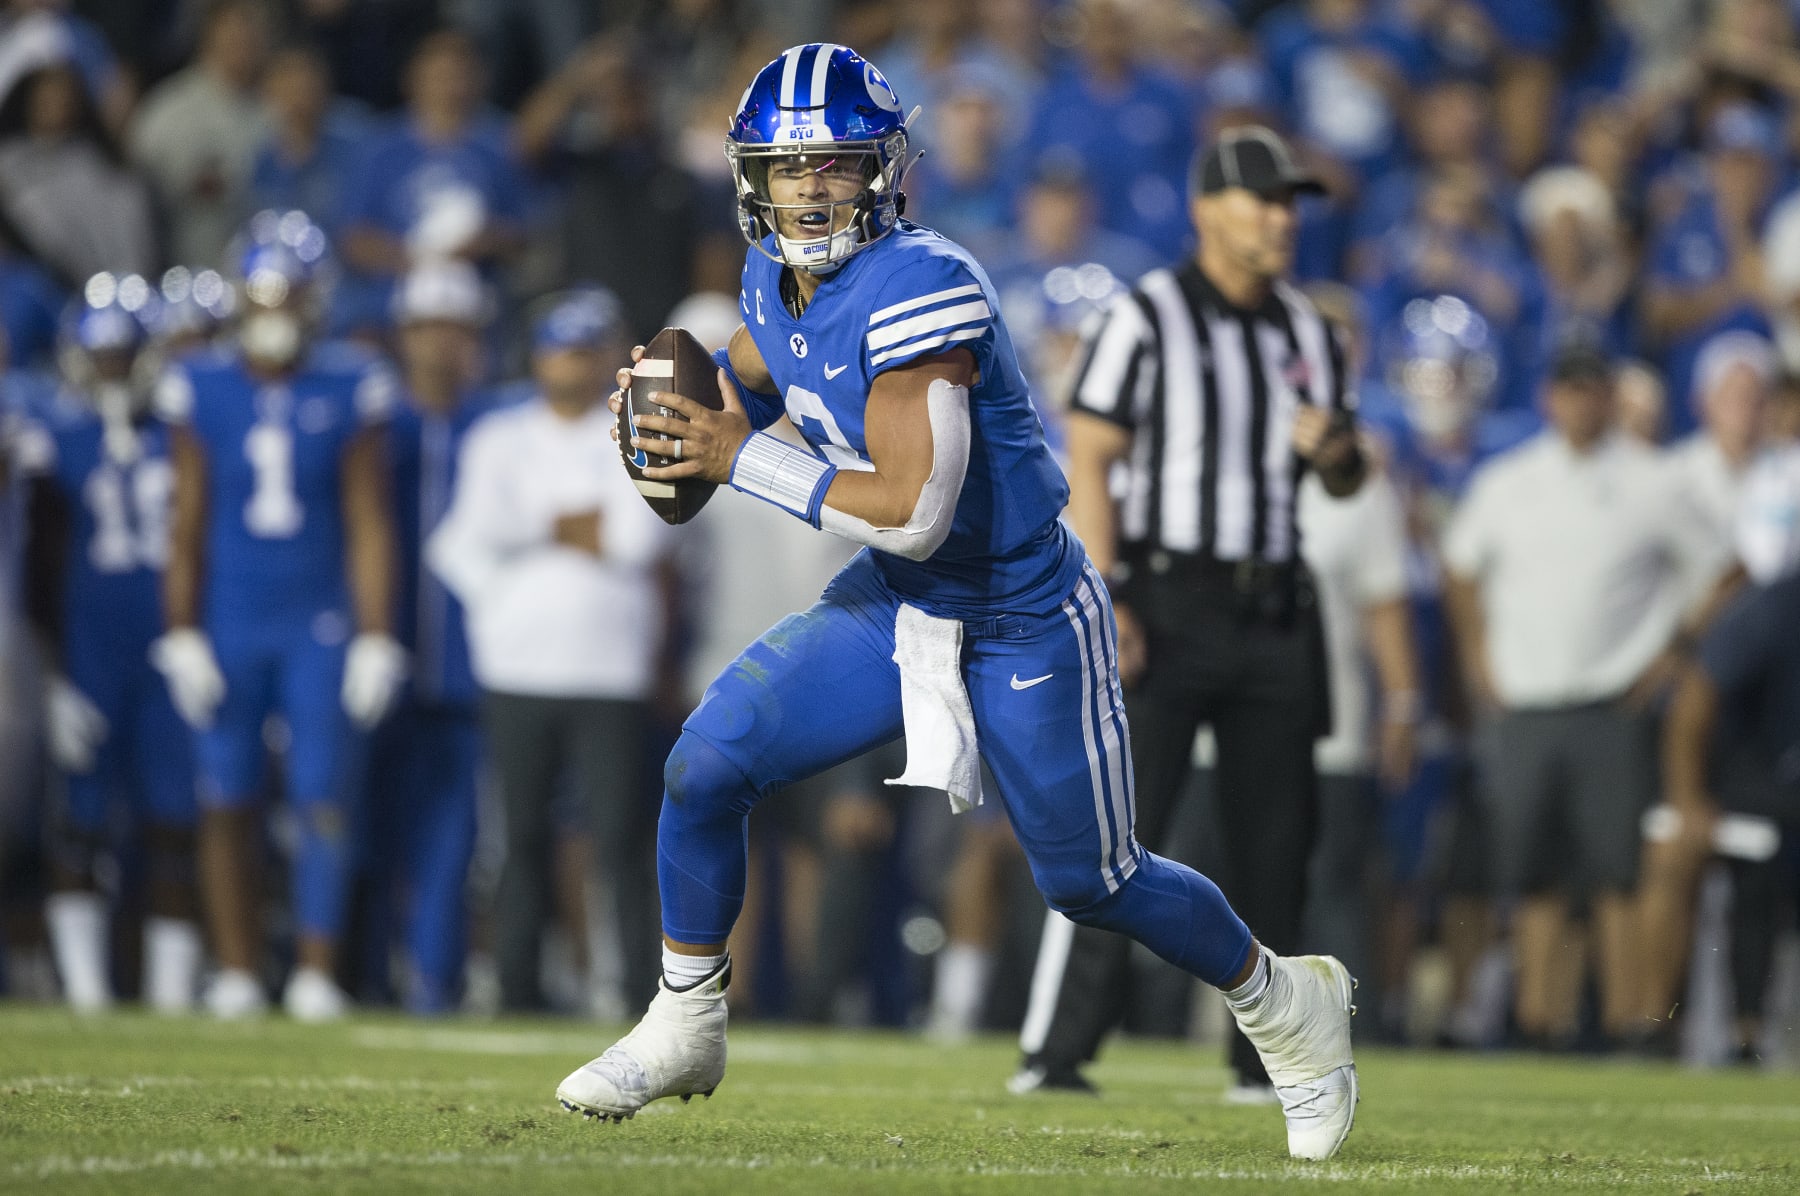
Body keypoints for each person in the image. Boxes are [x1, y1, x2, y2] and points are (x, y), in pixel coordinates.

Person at [552, 46, 1358, 1161]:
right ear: (752, 178)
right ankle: (686, 1014)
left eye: (836, 165)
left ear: (884, 172)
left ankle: (1283, 1000)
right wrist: (675, 414)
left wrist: (735, 456)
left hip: (1018, 606)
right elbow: (757, 362)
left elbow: (911, 510)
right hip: (898, 603)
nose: (813, 191)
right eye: (789, 170)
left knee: (1094, 878)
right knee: (705, 761)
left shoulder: (925, 287)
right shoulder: (765, 274)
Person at [1010, 124, 1367, 1102]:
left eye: (1292, 203)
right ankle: (1057, 1050)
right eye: (1265, 201)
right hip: (1167, 596)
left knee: (1278, 841)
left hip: (1277, 606)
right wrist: (1111, 590)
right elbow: (1089, 452)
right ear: (1209, 210)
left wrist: (1337, 450)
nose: (1284, 219)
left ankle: (1267, 1059)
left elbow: (1345, 472)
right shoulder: (1148, 315)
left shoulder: (1310, 329)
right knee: (1118, 833)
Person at [152, 210, 405, 1022]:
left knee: (321, 793)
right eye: (263, 298)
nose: (275, 315)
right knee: (225, 794)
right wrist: (182, 626)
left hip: (316, 620)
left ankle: (315, 971)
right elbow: (184, 520)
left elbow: (370, 520)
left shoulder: (350, 380)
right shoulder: (200, 382)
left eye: (288, 297)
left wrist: (374, 633)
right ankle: (233, 968)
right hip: (230, 613)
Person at [1442, 344, 1728, 1050]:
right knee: (1532, 873)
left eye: (1590, 390)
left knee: (1617, 872)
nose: (1577, 404)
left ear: (1609, 396)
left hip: (1612, 702)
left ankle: (1629, 1022)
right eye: (1566, 391)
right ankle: (1540, 1019)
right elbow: (1460, 568)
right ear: (1549, 398)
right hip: (1528, 699)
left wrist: (1668, 660)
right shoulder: (1509, 481)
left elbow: (1724, 572)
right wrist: (1479, 658)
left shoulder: (1652, 480)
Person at [427, 286, 675, 1014]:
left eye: (589, 347)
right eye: (564, 347)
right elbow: (470, 540)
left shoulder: (643, 430)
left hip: (612, 668)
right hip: (517, 662)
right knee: (520, 838)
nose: (575, 362)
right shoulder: (497, 437)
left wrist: (536, 531)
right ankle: (515, 985)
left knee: (621, 839)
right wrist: (574, 526)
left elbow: (638, 542)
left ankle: (635, 989)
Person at [14, 276, 203, 1013]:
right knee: (78, 823)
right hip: (92, 652)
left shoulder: (181, 430)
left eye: (124, 356)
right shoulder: (53, 435)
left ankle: (170, 994)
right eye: (101, 358)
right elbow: (37, 565)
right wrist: (53, 674)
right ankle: (87, 992)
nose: (112, 370)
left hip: (168, 651)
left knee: (174, 822)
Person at [355, 260, 495, 1014]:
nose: (441, 344)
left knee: (452, 841)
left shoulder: (501, 425)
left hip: (470, 668)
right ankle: (361, 973)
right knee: (365, 829)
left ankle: (432, 985)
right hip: (381, 657)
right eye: (426, 327)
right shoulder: (375, 424)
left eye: (456, 328)